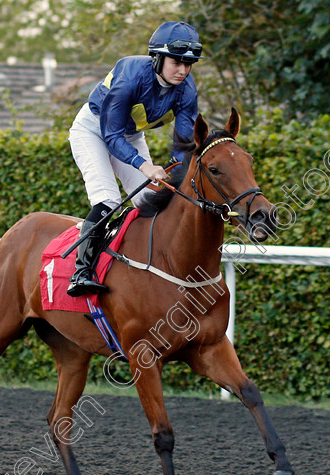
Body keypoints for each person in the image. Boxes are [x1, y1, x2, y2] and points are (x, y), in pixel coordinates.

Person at [66, 21, 203, 297]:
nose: (183, 71)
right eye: (177, 62)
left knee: (151, 200)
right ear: (157, 57)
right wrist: (144, 165)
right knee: (108, 200)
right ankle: (81, 272)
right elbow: (111, 134)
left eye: (189, 64)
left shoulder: (187, 88)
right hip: (94, 129)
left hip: (130, 135)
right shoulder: (130, 73)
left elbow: (184, 143)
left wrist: (175, 171)